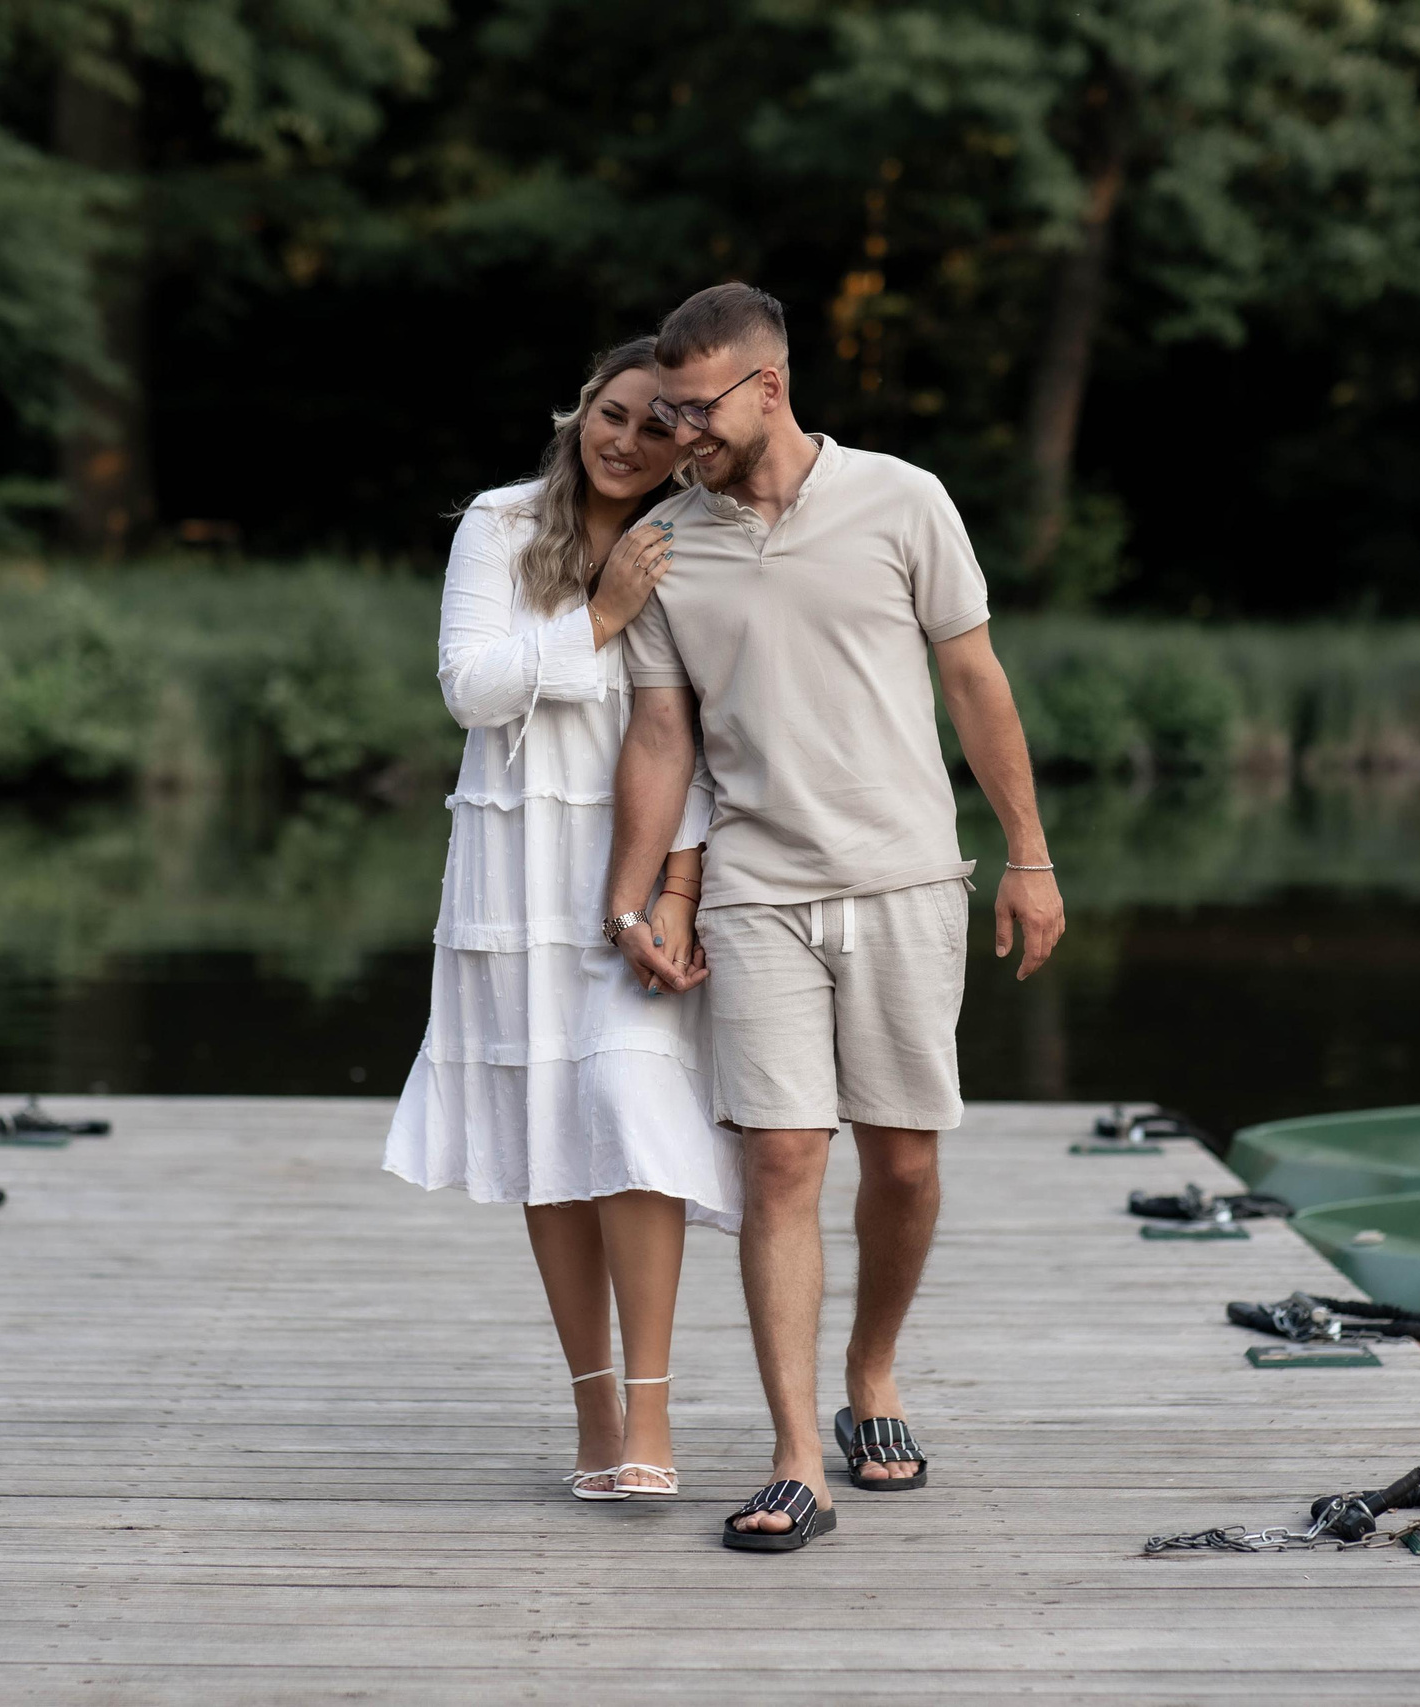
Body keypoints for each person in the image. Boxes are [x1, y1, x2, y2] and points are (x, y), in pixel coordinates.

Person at [601, 284, 1065, 1551]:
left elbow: (973, 679)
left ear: (767, 386)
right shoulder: (663, 545)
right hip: (757, 889)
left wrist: (1027, 855)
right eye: (668, 407)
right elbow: (658, 730)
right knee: (783, 1161)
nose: (675, 430)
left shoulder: (903, 499)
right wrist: (639, 892)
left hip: (908, 877)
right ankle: (795, 1455)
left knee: (904, 1161)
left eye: (696, 407)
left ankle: (873, 1372)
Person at [384, 336, 741, 1504]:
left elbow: (691, 729)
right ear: (580, 407)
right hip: (512, 863)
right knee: (550, 1134)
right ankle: (594, 1415)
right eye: (613, 413)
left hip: (639, 857)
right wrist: (596, 616)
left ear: (687, 442)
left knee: (632, 1114)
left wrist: (674, 890)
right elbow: (470, 689)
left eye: (655, 427)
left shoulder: (687, 539)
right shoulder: (497, 523)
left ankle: (651, 1417)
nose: (626, 442)